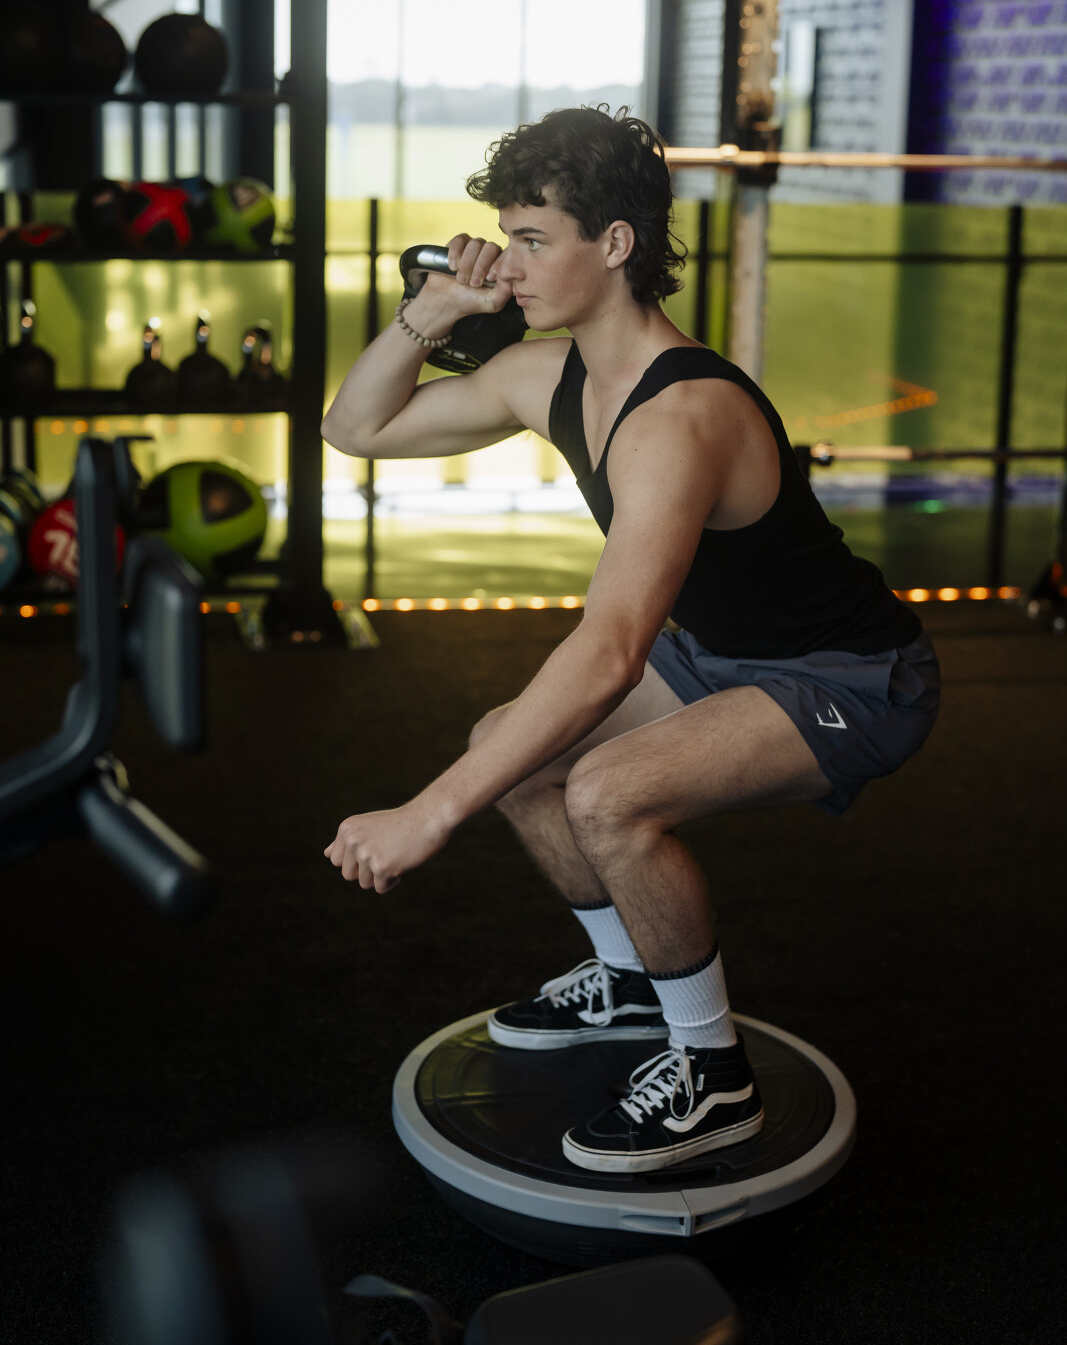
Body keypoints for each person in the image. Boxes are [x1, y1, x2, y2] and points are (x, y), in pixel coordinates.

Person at [321, 107, 940, 1175]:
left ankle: (712, 1070)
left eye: (531, 240)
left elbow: (609, 650)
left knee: (605, 794)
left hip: (852, 677)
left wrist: (429, 812)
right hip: (720, 656)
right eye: (504, 238)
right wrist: (432, 311)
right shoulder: (549, 374)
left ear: (613, 244)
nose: (507, 266)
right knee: (510, 749)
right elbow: (354, 428)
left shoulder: (679, 413)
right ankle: (627, 980)